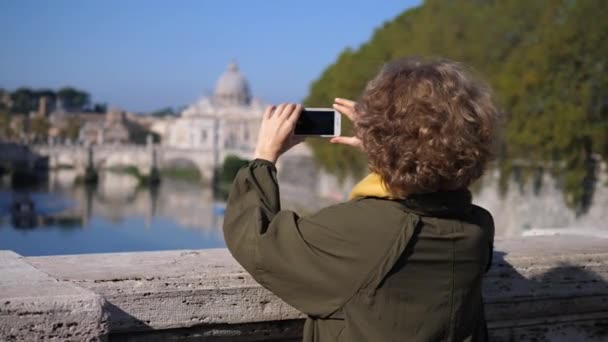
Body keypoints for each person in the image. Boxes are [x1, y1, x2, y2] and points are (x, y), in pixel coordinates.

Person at [223, 57, 499, 342]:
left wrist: (264, 155)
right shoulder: (477, 228)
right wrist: (386, 152)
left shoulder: (359, 232)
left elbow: (257, 239)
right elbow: (426, 185)